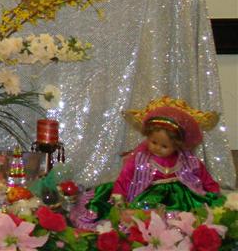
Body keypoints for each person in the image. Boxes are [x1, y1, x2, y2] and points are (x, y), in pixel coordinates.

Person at [70, 97, 225, 228]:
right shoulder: (140, 158)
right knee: (139, 218)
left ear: (177, 145)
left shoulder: (188, 160)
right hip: (148, 197)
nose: (157, 148)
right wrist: (119, 197)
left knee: (190, 218)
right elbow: (125, 178)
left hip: (182, 199)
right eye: (153, 142)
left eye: (164, 146)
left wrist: (214, 191)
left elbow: (203, 176)